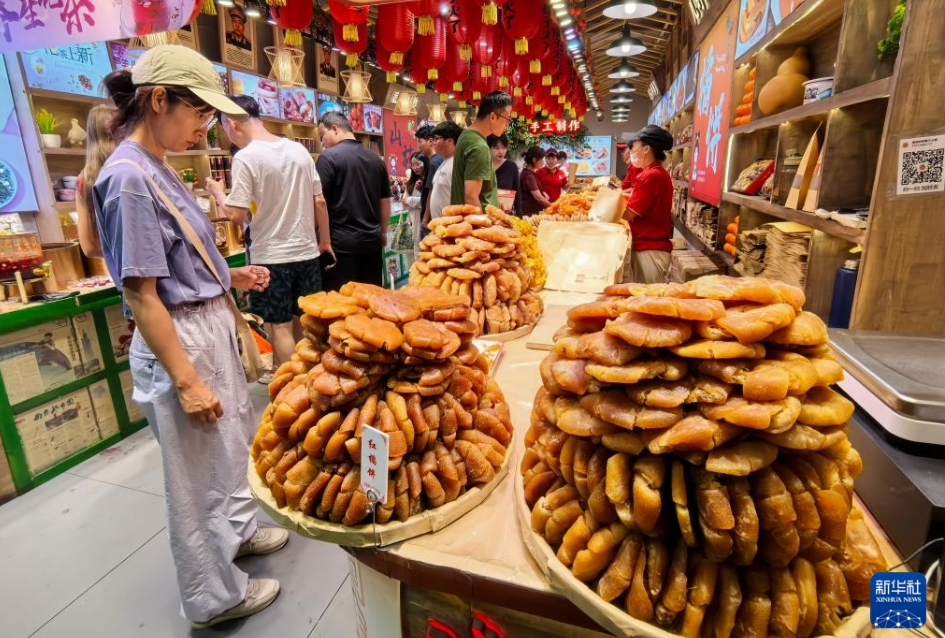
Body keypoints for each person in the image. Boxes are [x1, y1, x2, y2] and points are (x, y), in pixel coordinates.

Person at [92, 45, 285, 629]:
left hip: (205, 322)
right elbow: (143, 294)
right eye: (199, 112)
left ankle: (242, 533)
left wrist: (232, 275)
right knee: (196, 474)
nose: (206, 126)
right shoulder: (127, 177)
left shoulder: (159, 165)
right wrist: (188, 381)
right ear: (158, 100)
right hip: (179, 338)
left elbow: (182, 259)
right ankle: (213, 597)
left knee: (230, 446)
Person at [206, 95, 333, 383]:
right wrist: (324, 241)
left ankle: (297, 390)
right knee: (307, 322)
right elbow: (320, 201)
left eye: (223, 127)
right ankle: (316, 380)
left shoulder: (246, 157)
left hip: (270, 258)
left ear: (232, 123)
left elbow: (236, 216)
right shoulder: (299, 151)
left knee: (280, 327)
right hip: (307, 253)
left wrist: (217, 193)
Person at [316, 111, 392, 290]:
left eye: (322, 136)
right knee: (370, 302)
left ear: (334, 129)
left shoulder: (328, 158)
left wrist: (320, 237)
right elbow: (385, 202)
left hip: (340, 248)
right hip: (371, 244)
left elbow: (319, 201)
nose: (322, 143)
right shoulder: (376, 160)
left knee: (340, 306)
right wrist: (383, 233)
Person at [622, 125, 675, 284]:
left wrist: (604, 208)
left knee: (647, 299)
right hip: (651, 248)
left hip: (650, 250)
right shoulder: (655, 172)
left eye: (635, 145)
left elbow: (628, 214)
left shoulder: (650, 176)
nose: (631, 149)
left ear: (646, 149)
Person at [451, 90, 513, 208]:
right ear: (493, 116)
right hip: (475, 224)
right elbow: (471, 197)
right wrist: (485, 224)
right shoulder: (479, 146)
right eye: (507, 119)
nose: (507, 124)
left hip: (465, 221)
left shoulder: (466, 135)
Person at [76, 104, 119, 259]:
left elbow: (89, 248)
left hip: (123, 273)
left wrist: (119, 257)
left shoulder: (85, 179)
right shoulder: (136, 167)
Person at [424, 121, 462, 225]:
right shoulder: (445, 161)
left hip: (450, 226)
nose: (433, 143)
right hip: (439, 225)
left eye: (436, 139)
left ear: (449, 140)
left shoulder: (457, 164)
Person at [415, 124, 442, 222]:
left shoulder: (434, 163)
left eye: (420, 141)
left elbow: (432, 192)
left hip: (432, 218)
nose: (418, 145)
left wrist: (425, 218)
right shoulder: (437, 160)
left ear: (430, 141)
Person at [487, 133, 520, 214]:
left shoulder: (511, 166)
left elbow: (517, 191)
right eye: (497, 148)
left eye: (504, 148)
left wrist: (519, 214)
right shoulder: (484, 166)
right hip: (486, 213)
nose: (501, 151)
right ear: (489, 148)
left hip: (506, 214)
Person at [404, 151, 429, 251]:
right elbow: (404, 201)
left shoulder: (427, 180)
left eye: (418, 164)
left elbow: (426, 201)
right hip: (412, 220)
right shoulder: (411, 182)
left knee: (421, 250)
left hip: (422, 219)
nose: (415, 167)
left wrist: (410, 200)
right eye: (413, 165)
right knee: (413, 251)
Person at [519, 146, 553, 216]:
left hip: (530, 211)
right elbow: (538, 198)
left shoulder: (529, 173)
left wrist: (543, 194)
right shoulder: (529, 175)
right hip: (530, 213)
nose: (543, 162)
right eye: (541, 159)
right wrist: (553, 206)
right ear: (534, 160)